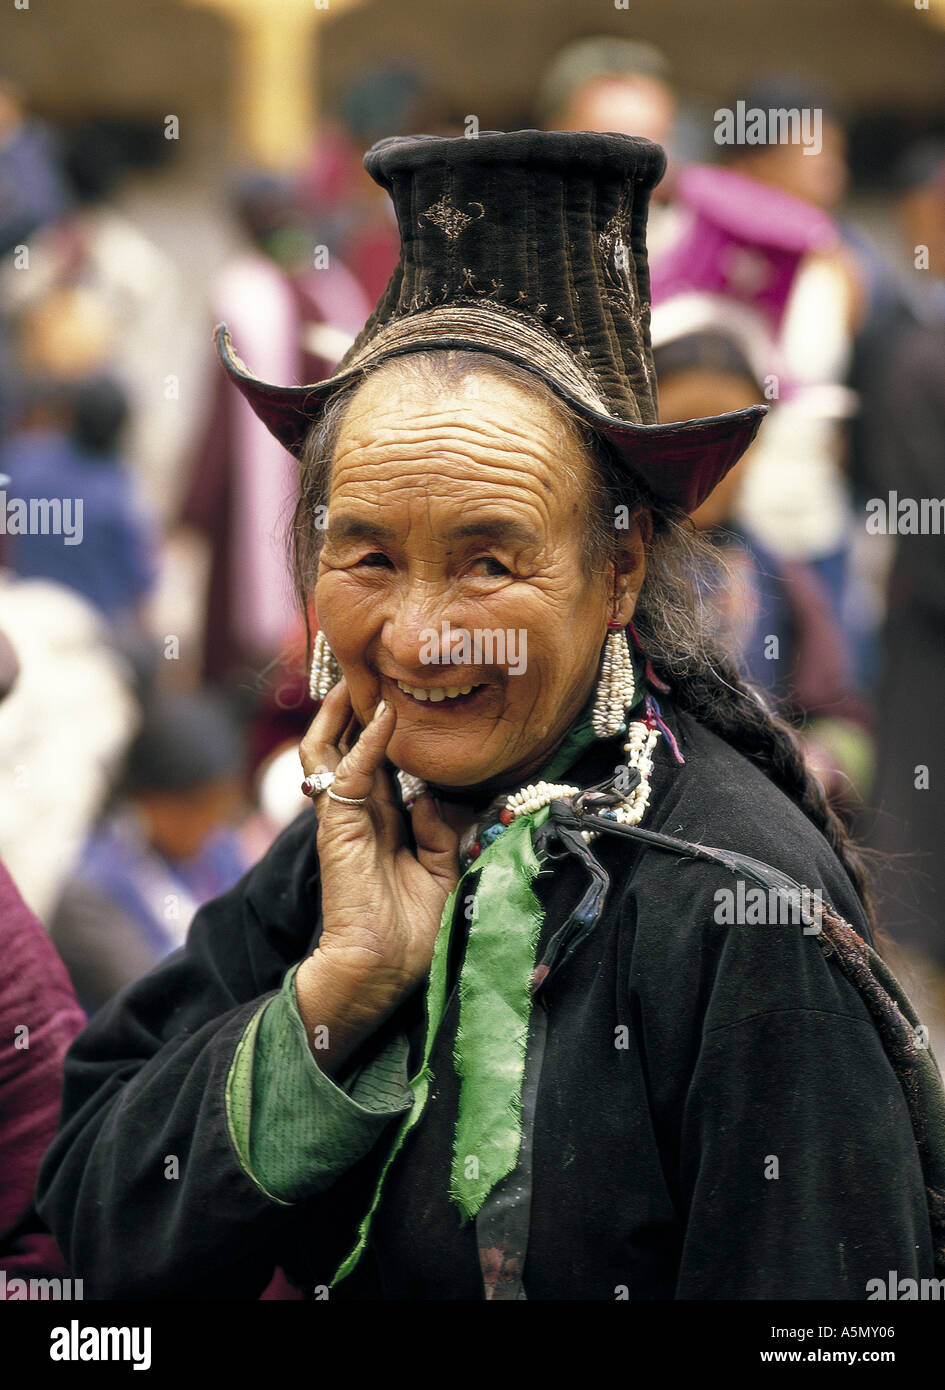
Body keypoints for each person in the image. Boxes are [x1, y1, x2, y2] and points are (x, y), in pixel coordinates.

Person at [37, 131, 944, 1300]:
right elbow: (95, 1219)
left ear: (619, 571)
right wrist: (340, 988)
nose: (417, 638)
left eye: (488, 563)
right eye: (365, 552)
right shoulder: (363, 827)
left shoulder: (741, 911)